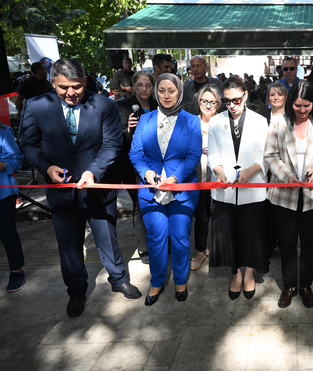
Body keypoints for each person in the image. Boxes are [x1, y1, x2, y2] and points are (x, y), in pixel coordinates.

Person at [20, 58, 141, 318]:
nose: (71, 93)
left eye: (76, 86)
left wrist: (93, 171)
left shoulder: (104, 105)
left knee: (107, 235)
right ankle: (76, 290)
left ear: (84, 81)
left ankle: (118, 278)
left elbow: (112, 144)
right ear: (53, 83)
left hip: (97, 184)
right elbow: (28, 144)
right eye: (64, 87)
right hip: (60, 187)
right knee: (68, 242)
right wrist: (46, 167)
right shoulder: (36, 105)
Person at [129, 73, 201, 306]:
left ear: (180, 91)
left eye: (172, 90)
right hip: (150, 189)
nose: (167, 95)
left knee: (180, 238)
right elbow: (135, 153)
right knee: (156, 238)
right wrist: (146, 173)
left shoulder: (192, 121)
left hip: (182, 190)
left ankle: (180, 280)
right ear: (155, 92)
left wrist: (175, 177)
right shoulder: (145, 120)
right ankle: (157, 281)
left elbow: (193, 155)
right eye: (162, 90)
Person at [264, 81, 313, 309]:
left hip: (312, 194)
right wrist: (286, 175)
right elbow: (270, 155)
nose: (302, 111)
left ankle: (305, 285)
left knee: (308, 244)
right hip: (284, 193)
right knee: (287, 242)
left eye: (306, 106)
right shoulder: (278, 122)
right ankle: (289, 285)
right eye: (297, 106)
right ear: (290, 102)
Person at [208, 76, 270, 300]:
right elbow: (212, 152)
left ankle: (250, 273)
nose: (232, 105)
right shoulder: (216, 122)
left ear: (245, 96)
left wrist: (253, 169)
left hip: (252, 187)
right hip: (225, 189)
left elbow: (267, 153)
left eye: (236, 100)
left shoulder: (259, 121)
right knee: (229, 233)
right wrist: (218, 169)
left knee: (252, 233)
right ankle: (235, 272)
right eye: (227, 101)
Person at [117, 70, 159, 265]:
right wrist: (127, 130)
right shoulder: (123, 107)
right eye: (140, 85)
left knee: (159, 201)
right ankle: (144, 248)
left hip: (158, 163)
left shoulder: (157, 105)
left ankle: (159, 242)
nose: (144, 89)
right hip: (133, 164)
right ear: (133, 86)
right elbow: (116, 138)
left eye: (148, 85)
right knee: (140, 206)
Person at [190, 84, 221, 271]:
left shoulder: (224, 122)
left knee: (219, 216)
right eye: (204, 101)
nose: (208, 105)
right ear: (198, 102)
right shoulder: (191, 122)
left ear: (218, 104)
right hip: (197, 176)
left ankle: (220, 250)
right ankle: (200, 251)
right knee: (201, 216)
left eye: (212, 102)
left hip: (219, 177)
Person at [259, 82, 288, 254]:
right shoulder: (261, 117)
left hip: (284, 169)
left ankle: (284, 243)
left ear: (285, 96)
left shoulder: (292, 117)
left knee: (283, 209)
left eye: (279, 94)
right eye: (272, 94)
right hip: (264, 168)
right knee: (267, 208)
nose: (276, 98)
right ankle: (269, 244)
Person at [0, 121, 25, 292]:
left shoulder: (3, 131)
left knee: (6, 231)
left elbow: (16, 161)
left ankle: (16, 270)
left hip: (3, 193)